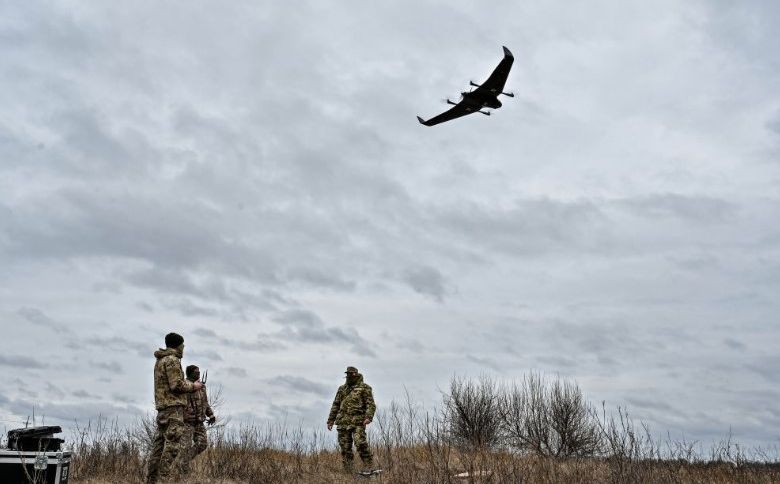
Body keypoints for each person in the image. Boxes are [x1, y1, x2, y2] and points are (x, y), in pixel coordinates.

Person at [146, 333, 203, 484]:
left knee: (158, 447)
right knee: (172, 447)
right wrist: (194, 386)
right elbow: (176, 384)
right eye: (182, 345)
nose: (183, 348)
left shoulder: (160, 361)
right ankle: (163, 480)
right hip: (173, 410)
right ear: (178, 346)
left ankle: (151, 480)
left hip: (163, 409)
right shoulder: (172, 360)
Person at [327, 366, 376, 473]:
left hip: (358, 421)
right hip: (343, 422)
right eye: (347, 374)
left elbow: (370, 404)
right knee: (345, 448)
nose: (349, 376)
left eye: (351, 374)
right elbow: (336, 404)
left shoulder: (364, 388)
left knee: (360, 443)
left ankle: (369, 466)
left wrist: (368, 417)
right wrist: (331, 420)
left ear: (356, 375)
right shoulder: (342, 389)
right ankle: (348, 471)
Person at [181, 365, 216, 474]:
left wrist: (211, 415)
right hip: (187, 422)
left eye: (199, 372)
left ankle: (184, 461)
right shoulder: (185, 385)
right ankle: (183, 471)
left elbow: (205, 402)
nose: (199, 374)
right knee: (185, 446)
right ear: (189, 373)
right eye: (196, 372)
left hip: (199, 422)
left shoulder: (202, 387)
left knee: (202, 444)